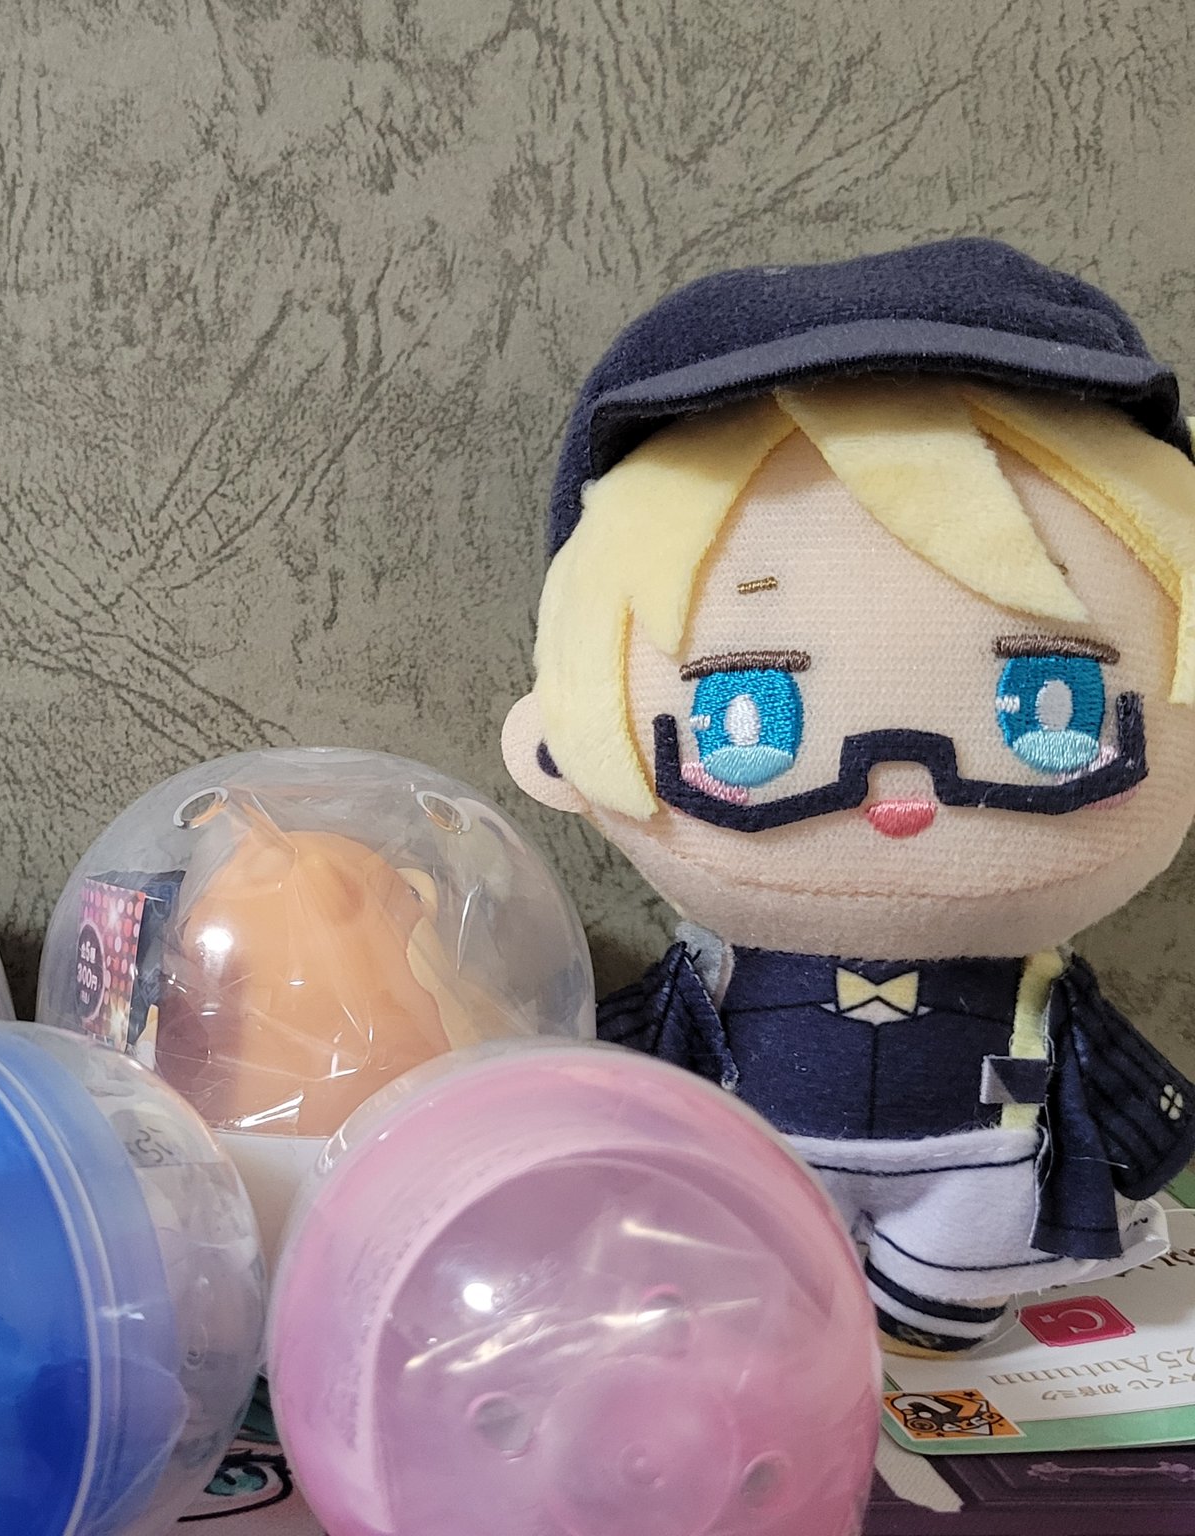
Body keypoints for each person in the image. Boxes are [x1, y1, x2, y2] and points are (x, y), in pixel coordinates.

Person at [501, 238, 1195, 1355]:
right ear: (557, 746)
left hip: (980, 1193)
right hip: (750, 1187)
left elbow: (1108, 1073)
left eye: (1050, 702)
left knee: (942, 1312)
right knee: (760, 1313)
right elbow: (631, 1054)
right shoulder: (710, 984)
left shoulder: (1033, 983)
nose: (897, 797)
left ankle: (931, 1316)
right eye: (748, 716)